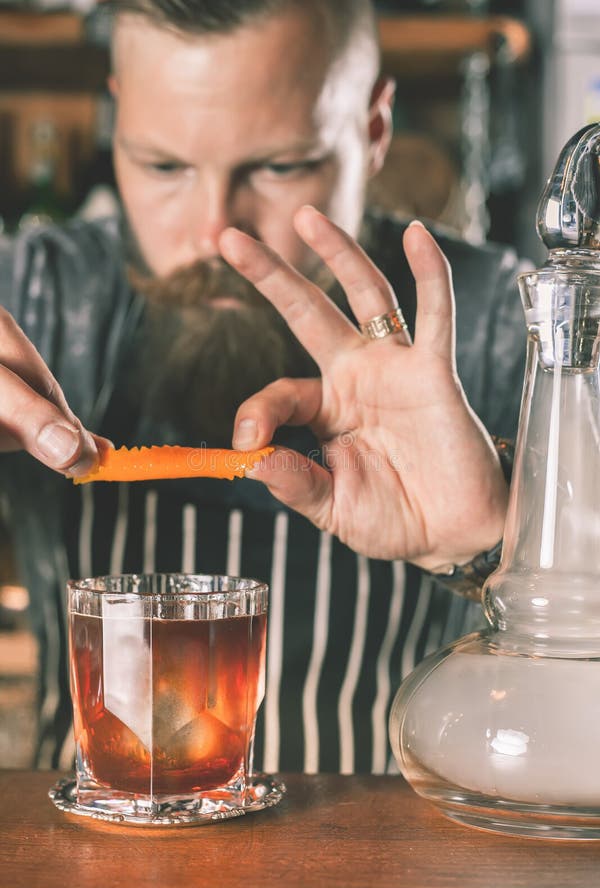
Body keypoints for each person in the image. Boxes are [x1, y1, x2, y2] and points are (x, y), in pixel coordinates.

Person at [0, 0, 527, 773]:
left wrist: (486, 551)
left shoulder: (513, 330)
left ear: (374, 128)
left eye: (280, 167)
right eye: (163, 166)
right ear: (118, 113)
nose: (216, 233)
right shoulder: (33, 296)